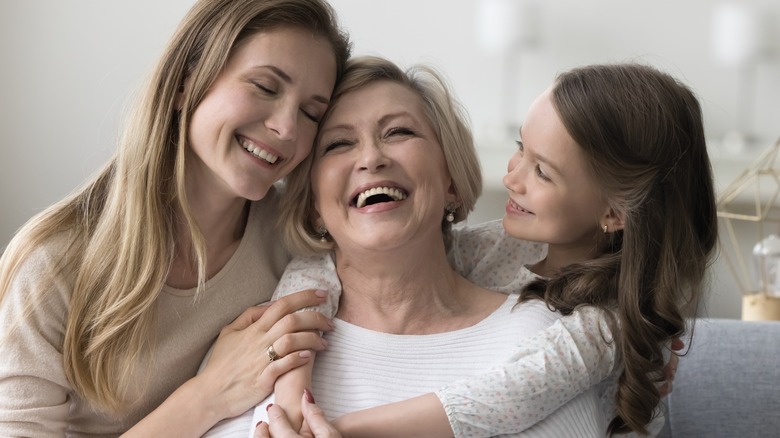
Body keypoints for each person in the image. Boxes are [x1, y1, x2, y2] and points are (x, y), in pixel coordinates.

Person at [254, 58, 717, 437]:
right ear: (313, 206)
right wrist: (293, 386)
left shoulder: (602, 328)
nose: (510, 178)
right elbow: (315, 273)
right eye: (521, 150)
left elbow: (495, 401)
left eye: (543, 172)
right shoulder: (492, 250)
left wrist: (335, 429)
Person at [0, 0, 352, 435]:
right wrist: (207, 395)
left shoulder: (297, 241)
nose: (287, 129)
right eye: (265, 86)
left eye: (311, 113)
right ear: (187, 80)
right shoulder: (52, 263)